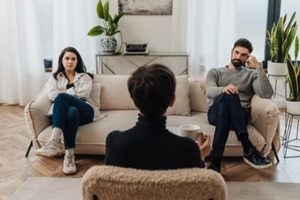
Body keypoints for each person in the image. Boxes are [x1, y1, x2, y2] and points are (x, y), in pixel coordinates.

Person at [105, 64, 212, 170]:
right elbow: (197, 183)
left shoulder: (114, 142)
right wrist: (201, 157)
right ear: (172, 101)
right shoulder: (188, 148)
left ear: (134, 100)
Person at [206, 38, 274, 173]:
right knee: (229, 95)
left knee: (226, 107)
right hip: (215, 113)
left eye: (243, 55)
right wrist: (224, 89)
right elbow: (209, 90)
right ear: (232, 51)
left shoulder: (251, 74)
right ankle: (248, 147)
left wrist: (259, 68)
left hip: (240, 116)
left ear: (248, 57)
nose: (238, 57)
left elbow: (266, 94)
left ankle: (215, 161)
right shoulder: (215, 72)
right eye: (236, 52)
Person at [36, 47, 101, 175]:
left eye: (73, 59)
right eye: (67, 58)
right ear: (62, 60)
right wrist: (70, 95)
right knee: (71, 112)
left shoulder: (85, 77)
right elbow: (51, 96)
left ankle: (54, 141)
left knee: (62, 97)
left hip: (86, 111)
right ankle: (69, 157)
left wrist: (64, 94)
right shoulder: (54, 78)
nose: (70, 61)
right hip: (70, 114)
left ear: (77, 61)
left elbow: (84, 94)